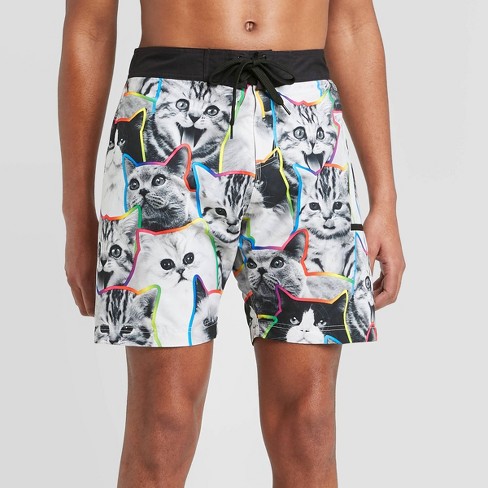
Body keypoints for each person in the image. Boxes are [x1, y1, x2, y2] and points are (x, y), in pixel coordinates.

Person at [58, 0, 406, 485]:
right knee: (164, 421)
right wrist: (76, 213)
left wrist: (385, 197)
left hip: (303, 122)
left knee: (308, 425)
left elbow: (351, 22)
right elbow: (90, 27)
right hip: (169, 123)